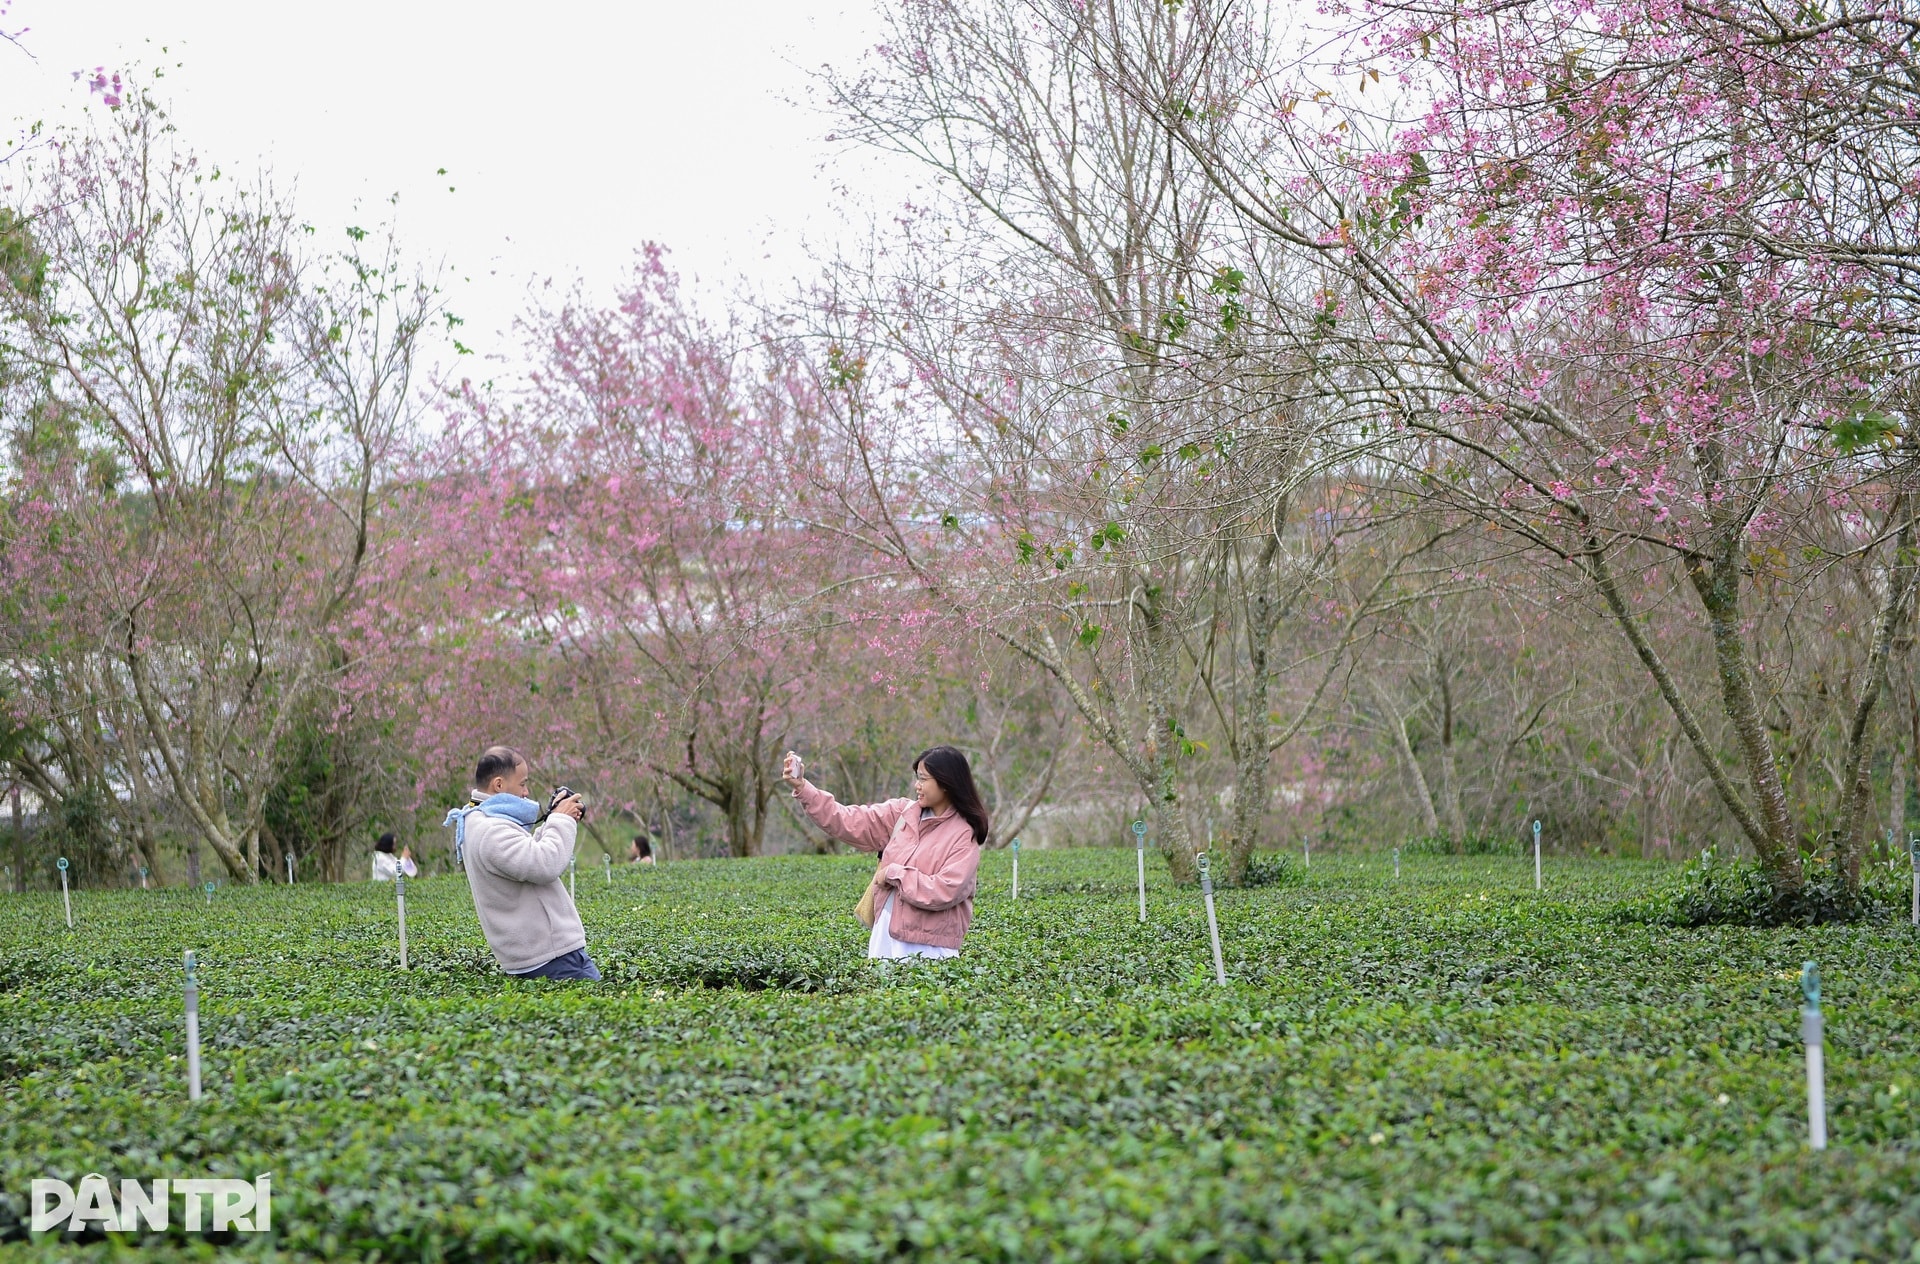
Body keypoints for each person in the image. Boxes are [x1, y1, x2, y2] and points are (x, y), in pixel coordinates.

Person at [782, 744, 988, 959]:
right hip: (885, 937)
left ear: (946, 782)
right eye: (917, 777)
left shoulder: (963, 833)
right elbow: (846, 820)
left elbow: (946, 890)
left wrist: (893, 874)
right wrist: (804, 788)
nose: (917, 785)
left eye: (923, 779)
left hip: (931, 949)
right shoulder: (902, 813)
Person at [442, 745, 600, 981]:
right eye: (523, 783)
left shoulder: (480, 820)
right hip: (550, 957)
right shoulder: (490, 830)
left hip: (540, 955)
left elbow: (524, 859)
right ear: (499, 785)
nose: (526, 792)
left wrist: (553, 820)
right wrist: (560, 820)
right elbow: (545, 863)